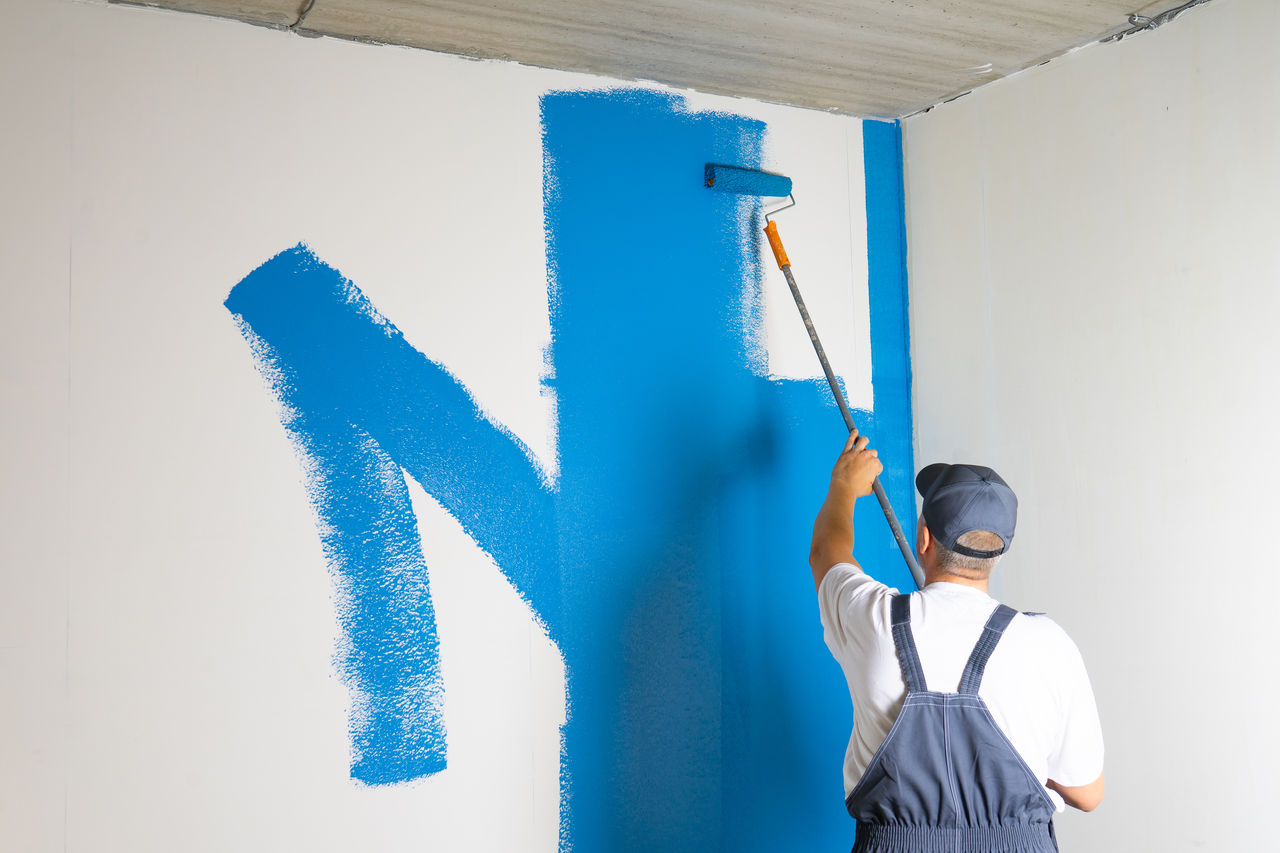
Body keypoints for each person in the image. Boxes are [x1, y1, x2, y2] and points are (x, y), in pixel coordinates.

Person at [812, 430, 1104, 852]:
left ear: (924, 539)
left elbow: (827, 552)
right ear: (998, 550)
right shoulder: (1049, 645)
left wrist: (843, 487)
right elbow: (1087, 794)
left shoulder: (875, 620)